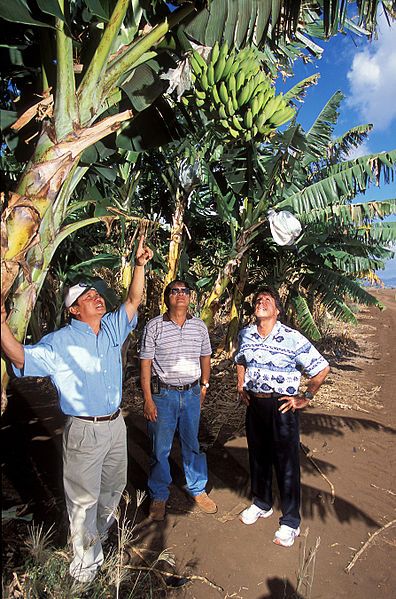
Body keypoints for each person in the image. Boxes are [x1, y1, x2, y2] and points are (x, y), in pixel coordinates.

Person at [0, 235, 153, 582]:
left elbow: (134, 298)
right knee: (82, 502)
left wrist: (139, 266)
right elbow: (19, 356)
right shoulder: (60, 341)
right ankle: (84, 570)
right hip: (84, 430)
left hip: (116, 426)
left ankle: (98, 537)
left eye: (97, 294)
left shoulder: (113, 328)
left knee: (114, 488)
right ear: (73, 310)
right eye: (87, 297)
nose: (96, 298)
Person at [235, 287, 330, 547]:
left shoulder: (292, 338)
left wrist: (306, 397)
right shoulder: (245, 334)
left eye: (268, 300)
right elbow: (240, 360)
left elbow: (322, 368)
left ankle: (290, 521)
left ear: (277, 310)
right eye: (258, 299)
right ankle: (262, 503)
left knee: (286, 464)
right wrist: (241, 384)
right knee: (258, 456)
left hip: (282, 407)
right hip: (255, 405)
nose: (261, 302)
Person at [139, 279, 217, 521]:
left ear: (190, 297)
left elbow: (206, 356)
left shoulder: (199, 327)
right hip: (164, 394)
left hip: (192, 393)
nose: (180, 295)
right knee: (159, 448)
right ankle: (159, 495)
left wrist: (204, 386)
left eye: (185, 291)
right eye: (175, 291)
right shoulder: (154, 327)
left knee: (191, 443)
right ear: (167, 297)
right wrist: (148, 399)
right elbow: (145, 365)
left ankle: (197, 489)